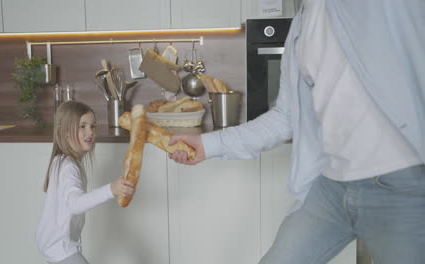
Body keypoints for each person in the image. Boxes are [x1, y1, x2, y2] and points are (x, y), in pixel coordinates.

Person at [169, 0, 425, 263]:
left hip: (400, 183)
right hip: (332, 185)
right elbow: (285, 116)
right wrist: (209, 144)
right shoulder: (303, 22)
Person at [36, 101, 135, 264]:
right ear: (65, 132)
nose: (90, 132)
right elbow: (75, 204)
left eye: (93, 126)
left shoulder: (64, 161)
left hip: (53, 246)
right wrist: (111, 189)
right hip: (60, 248)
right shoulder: (68, 166)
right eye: (82, 126)